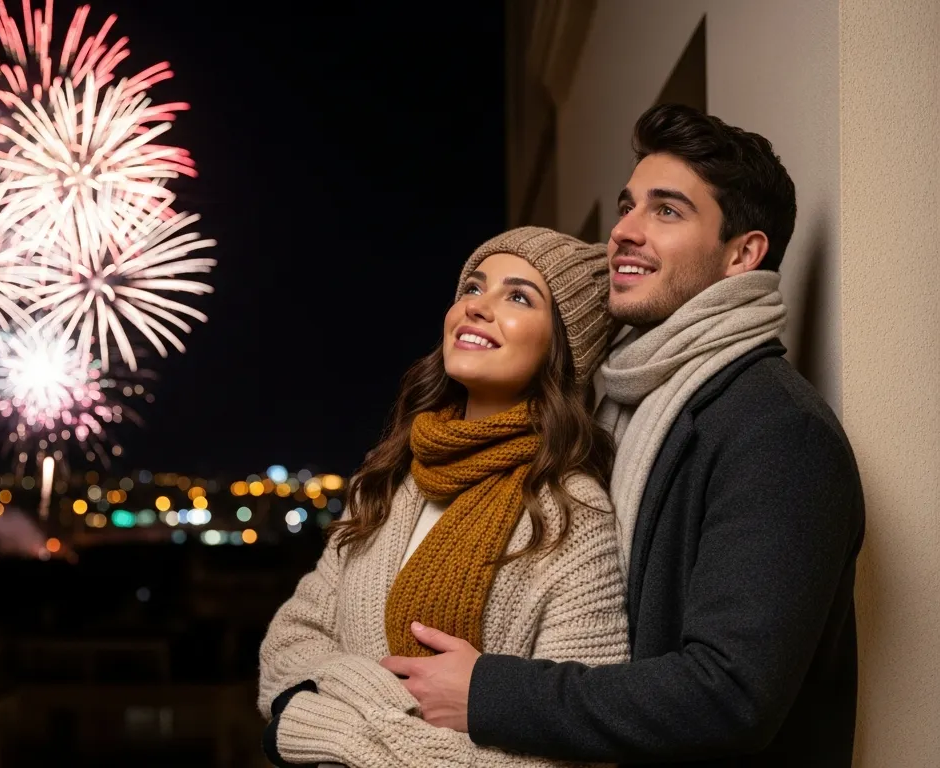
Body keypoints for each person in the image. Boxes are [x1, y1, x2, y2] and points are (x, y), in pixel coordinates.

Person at [382, 104, 866, 768]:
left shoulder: (779, 433)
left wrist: (490, 691)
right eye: (628, 206)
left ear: (742, 254)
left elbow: (731, 695)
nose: (624, 232)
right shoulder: (614, 399)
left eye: (666, 212)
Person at [257, 228, 630, 767]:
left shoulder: (572, 514)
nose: (478, 307)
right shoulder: (390, 478)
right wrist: (386, 701)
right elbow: (288, 647)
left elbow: (576, 754)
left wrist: (332, 731)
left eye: (519, 296)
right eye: (473, 288)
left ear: (561, 348)